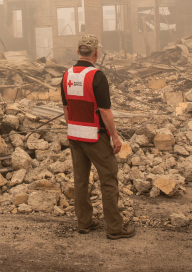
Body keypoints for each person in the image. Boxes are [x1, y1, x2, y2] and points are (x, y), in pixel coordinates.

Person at [60, 34, 135, 240]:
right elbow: (105, 111)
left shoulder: (66, 75)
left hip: (74, 135)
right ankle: (114, 228)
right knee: (108, 180)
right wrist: (115, 137)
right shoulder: (97, 76)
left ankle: (84, 223)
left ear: (78, 52)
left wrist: (75, 128)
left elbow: (66, 110)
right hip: (95, 136)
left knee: (81, 180)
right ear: (96, 53)